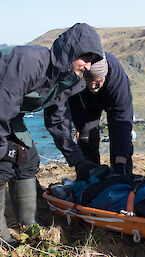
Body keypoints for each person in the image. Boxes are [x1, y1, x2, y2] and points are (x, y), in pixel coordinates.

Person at [0, 23, 103, 245]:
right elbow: (4, 103)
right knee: (4, 163)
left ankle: (27, 224)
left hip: (7, 112)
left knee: (28, 160)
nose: (88, 65)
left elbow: (57, 120)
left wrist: (77, 160)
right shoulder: (31, 62)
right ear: (71, 50)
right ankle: (1, 234)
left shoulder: (64, 80)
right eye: (85, 57)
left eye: (92, 61)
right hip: (1, 108)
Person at [44, 52, 134, 177]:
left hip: (111, 99)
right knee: (87, 138)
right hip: (83, 100)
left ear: (104, 75)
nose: (92, 85)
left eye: (96, 81)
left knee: (121, 141)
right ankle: (90, 178)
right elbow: (67, 114)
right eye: (89, 81)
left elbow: (122, 121)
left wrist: (120, 165)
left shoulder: (118, 81)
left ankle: (123, 176)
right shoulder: (75, 78)